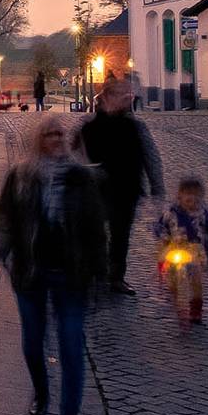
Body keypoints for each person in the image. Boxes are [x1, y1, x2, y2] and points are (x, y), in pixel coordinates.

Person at [0, 113, 108, 415]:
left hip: (71, 276)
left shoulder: (81, 178)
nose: (57, 139)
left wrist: (99, 274)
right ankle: (42, 392)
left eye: (61, 134)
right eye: (50, 134)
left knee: (72, 350)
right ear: (37, 140)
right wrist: (3, 251)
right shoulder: (21, 177)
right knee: (32, 341)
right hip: (31, 272)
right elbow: (5, 217)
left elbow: (95, 230)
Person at [77, 80, 163, 296]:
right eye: (120, 93)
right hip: (95, 190)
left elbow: (151, 156)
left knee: (121, 234)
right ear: (105, 97)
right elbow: (73, 154)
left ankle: (116, 278)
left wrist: (157, 186)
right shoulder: (89, 124)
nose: (127, 96)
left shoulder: (135, 126)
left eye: (129, 93)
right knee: (94, 233)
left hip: (127, 189)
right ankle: (93, 273)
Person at [156, 176, 208, 325]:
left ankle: (196, 308)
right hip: (175, 247)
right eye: (188, 193)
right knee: (171, 273)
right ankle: (173, 291)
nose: (191, 198)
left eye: (196, 194)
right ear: (180, 195)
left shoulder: (204, 214)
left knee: (196, 279)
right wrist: (164, 236)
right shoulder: (171, 212)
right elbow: (160, 226)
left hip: (195, 250)